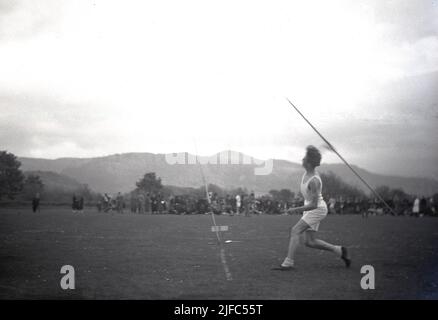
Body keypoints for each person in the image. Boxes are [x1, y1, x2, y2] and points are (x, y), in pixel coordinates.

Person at [279, 145, 351, 270]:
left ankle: (288, 262)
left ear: (308, 163)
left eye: (304, 158)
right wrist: (325, 148)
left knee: (295, 231)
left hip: (317, 209)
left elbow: (314, 204)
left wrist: (294, 210)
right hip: (312, 208)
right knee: (310, 241)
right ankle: (339, 250)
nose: (302, 160)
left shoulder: (314, 181)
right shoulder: (308, 172)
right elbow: (314, 156)